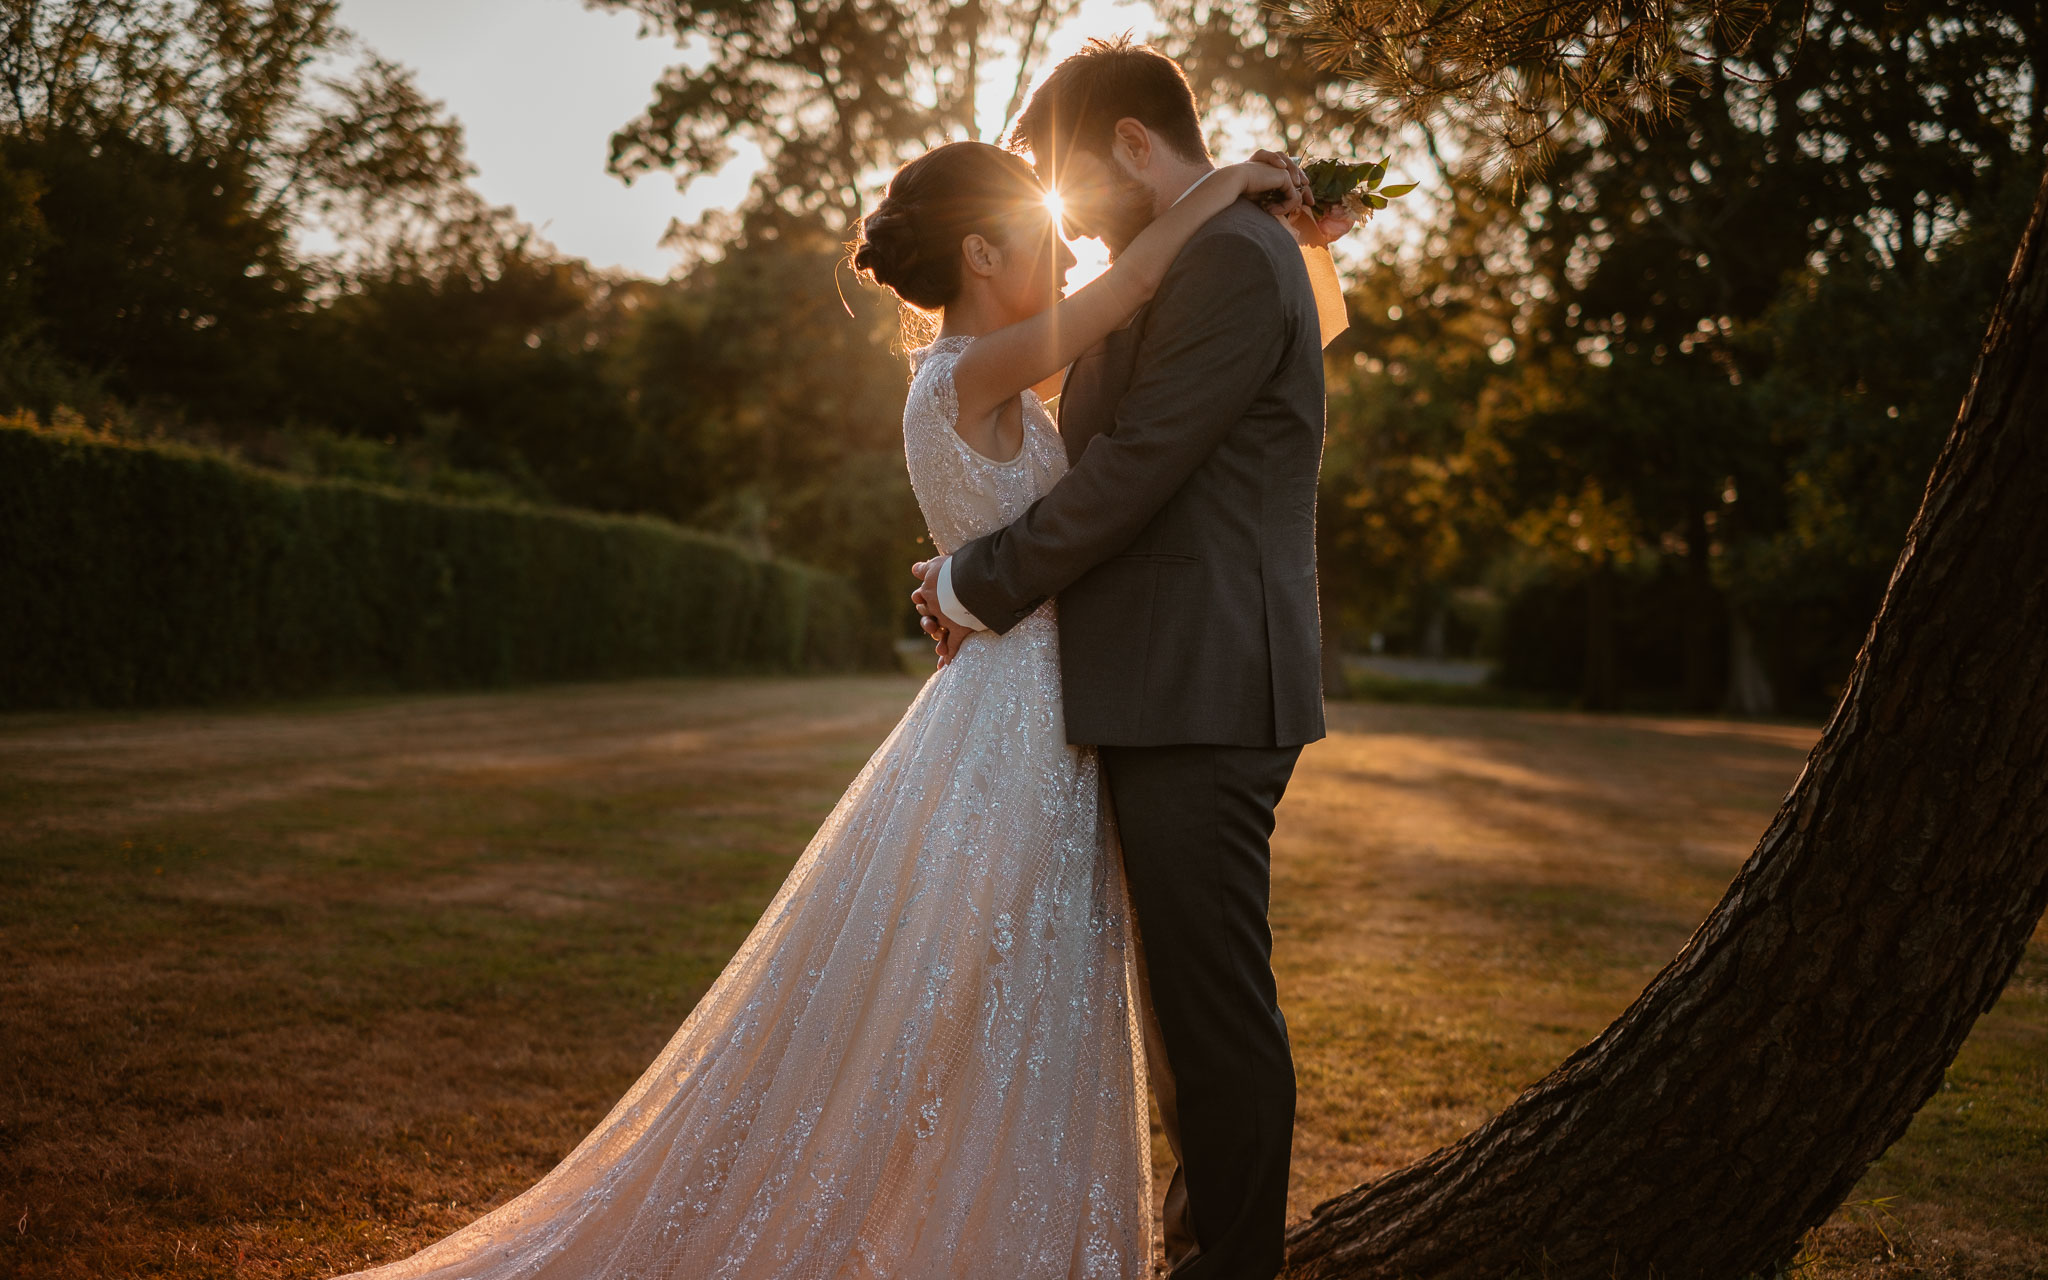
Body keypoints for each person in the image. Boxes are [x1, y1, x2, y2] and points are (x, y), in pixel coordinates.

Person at [328, 125, 1313, 1277]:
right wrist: (1231, 188)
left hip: (1028, 697)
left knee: (1012, 983)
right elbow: (1139, 285)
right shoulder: (977, 368)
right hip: (1022, 712)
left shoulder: (970, 369)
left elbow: (1146, 342)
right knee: (995, 984)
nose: (1071, 258)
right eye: (1046, 240)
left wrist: (1274, 231)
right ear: (984, 252)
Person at [911, 36, 1347, 1280]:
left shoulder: (1226, 258)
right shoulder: (1214, 250)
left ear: (1133, 146)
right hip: (1168, 682)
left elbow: (1132, 470)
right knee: (1188, 1009)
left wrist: (971, 581)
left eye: (1082, 191)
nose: (1082, 228)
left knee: (1211, 1017)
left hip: (1204, 684)